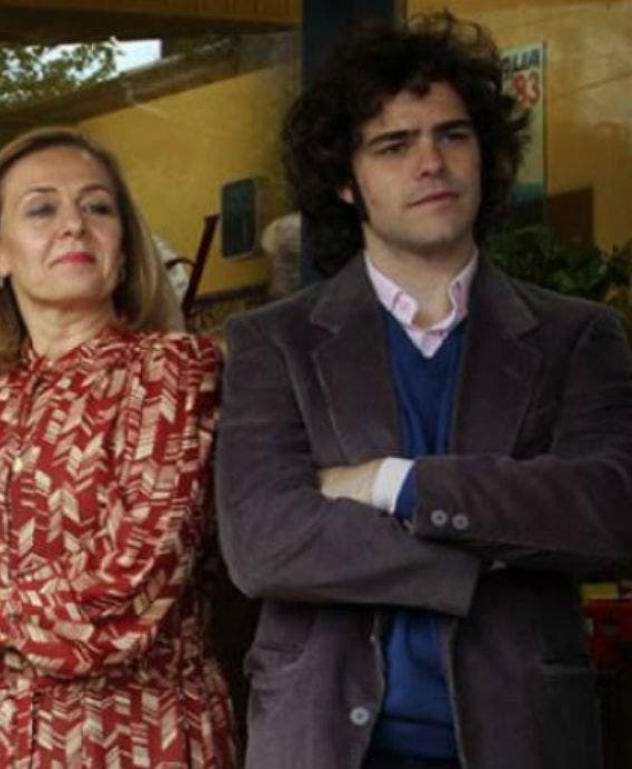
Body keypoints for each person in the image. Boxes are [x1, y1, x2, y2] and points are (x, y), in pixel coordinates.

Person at [216, 13, 632, 769]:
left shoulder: (579, 337)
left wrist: (392, 483)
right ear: (346, 180)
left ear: (486, 154)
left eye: (453, 136)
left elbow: (606, 512)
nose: (431, 163)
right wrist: (484, 556)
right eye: (394, 145)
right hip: (326, 745)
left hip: (524, 740)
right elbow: (265, 545)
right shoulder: (273, 343)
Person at [0, 126, 236, 768]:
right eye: (41, 209)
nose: (74, 226)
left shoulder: (170, 371)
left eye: (98, 207)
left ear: (123, 245)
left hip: (136, 739)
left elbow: (134, 584)